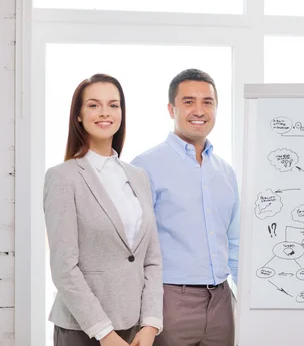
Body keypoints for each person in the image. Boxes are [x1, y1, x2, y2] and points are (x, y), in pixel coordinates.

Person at [44, 74, 163, 346]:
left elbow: (152, 259)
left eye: (113, 105)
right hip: (84, 329)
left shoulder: (138, 176)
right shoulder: (63, 177)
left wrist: (151, 324)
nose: (105, 113)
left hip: (135, 328)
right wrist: (104, 333)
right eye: (94, 105)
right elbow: (64, 268)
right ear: (78, 115)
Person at [131, 68, 240, 346]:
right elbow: (134, 246)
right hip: (169, 301)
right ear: (171, 109)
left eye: (207, 102)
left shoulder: (226, 172)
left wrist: (249, 298)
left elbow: (234, 240)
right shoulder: (145, 166)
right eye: (189, 101)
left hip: (221, 302)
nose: (199, 110)